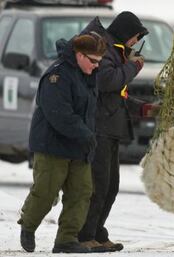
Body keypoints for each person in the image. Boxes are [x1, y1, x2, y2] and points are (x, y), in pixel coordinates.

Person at [18, 33, 106, 253]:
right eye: (93, 61)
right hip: (52, 145)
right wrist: (85, 134)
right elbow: (59, 113)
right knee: (46, 192)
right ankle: (28, 225)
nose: (96, 66)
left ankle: (66, 239)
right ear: (79, 54)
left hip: (79, 145)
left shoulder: (88, 74)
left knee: (81, 193)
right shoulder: (57, 75)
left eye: (99, 62)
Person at [78, 12, 148, 252]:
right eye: (135, 37)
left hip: (110, 127)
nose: (135, 43)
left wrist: (142, 107)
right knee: (98, 186)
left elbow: (119, 94)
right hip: (99, 127)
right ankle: (84, 235)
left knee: (111, 186)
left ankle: (97, 231)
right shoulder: (105, 48)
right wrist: (133, 66)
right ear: (126, 33)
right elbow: (108, 81)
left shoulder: (115, 49)